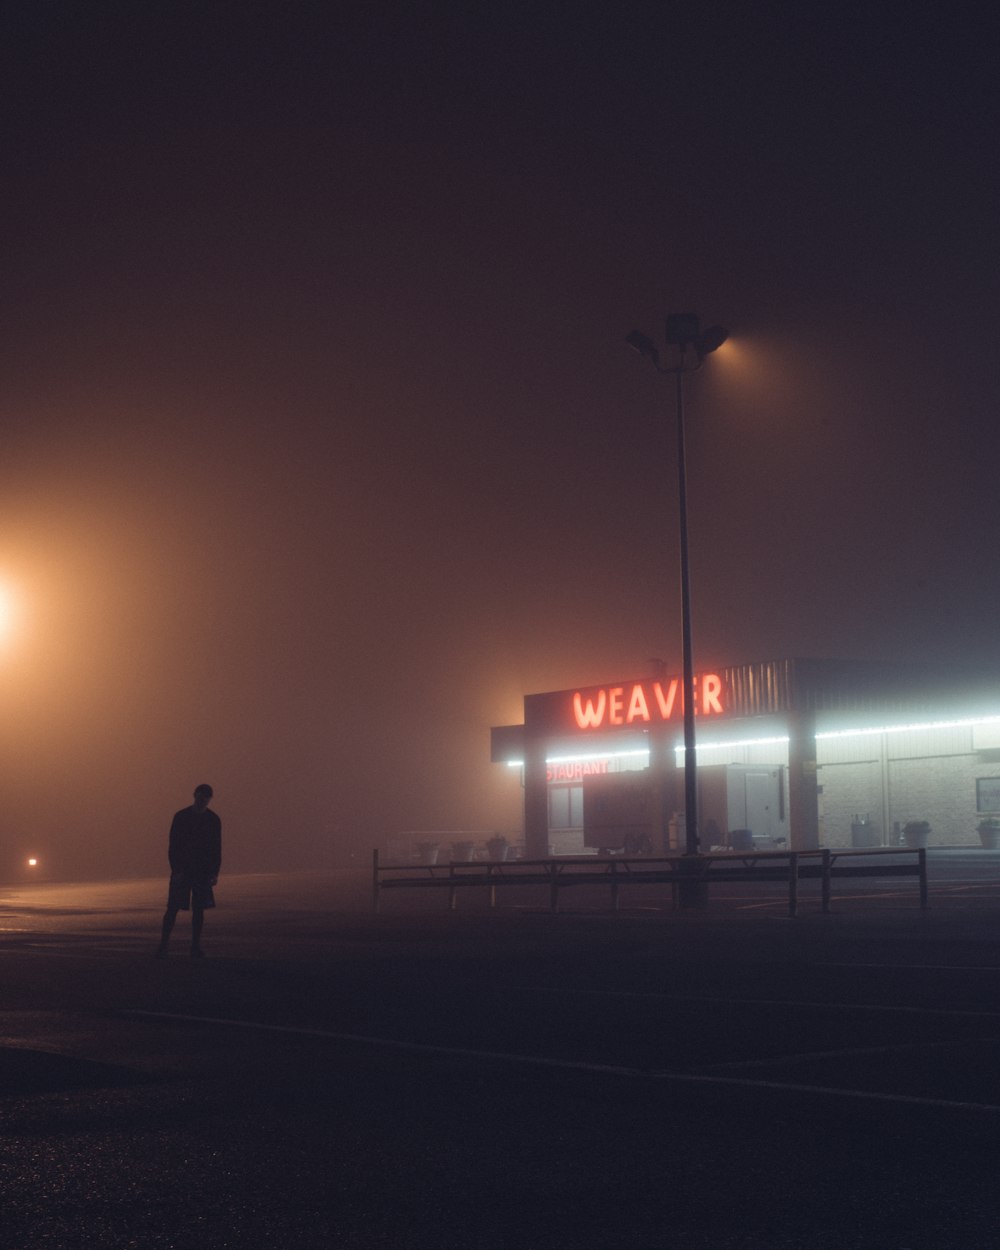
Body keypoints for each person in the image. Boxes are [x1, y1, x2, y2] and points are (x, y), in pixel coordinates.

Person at [157, 783, 222, 958]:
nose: (203, 801)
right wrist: (176, 869)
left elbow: (216, 848)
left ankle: (194, 946)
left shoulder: (213, 820)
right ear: (195, 796)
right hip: (183, 869)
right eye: (201, 797)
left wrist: (214, 872)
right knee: (172, 908)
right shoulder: (182, 817)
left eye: (206, 798)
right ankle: (164, 945)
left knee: (198, 909)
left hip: (201, 870)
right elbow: (174, 846)